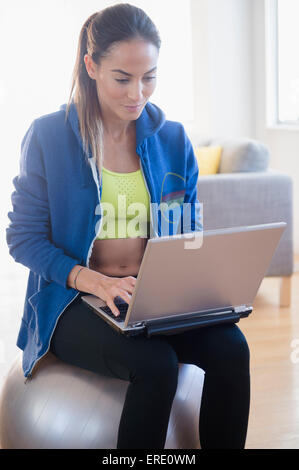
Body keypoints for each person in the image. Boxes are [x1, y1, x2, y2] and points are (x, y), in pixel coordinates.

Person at [6, 3, 250, 449]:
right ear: (91, 66)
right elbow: (22, 239)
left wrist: (199, 286)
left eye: (149, 77)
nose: (138, 93)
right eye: (123, 78)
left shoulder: (172, 139)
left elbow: (186, 230)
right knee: (154, 365)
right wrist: (94, 282)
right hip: (74, 299)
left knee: (233, 349)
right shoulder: (48, 136)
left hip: (153, 297)